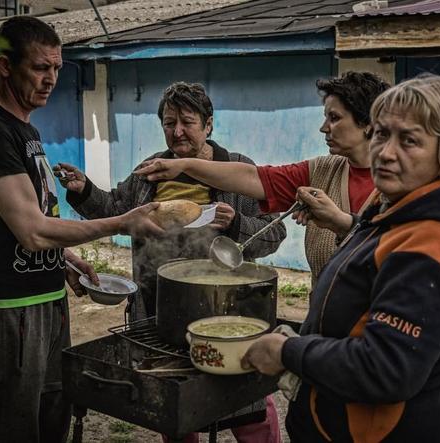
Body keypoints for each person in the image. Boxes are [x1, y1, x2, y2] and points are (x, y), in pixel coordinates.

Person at [136, 72, 440, 382]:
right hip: (332, 356)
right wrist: (183, 166)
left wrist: (289, 350)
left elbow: (427, 282)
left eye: (335, 117)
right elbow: (254, 177)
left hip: (362, 376)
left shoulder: (414, 200)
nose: (323, 127)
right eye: (385, 135)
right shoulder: (328, 170)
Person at [240, 73, 440, 441]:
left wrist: (289, 351)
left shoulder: (433, 239)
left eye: (409, 140)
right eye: (381, 134)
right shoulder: (403, 208)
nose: (386, 152)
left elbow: (386, 368)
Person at [0, 16, 163, 443]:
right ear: (5, 66)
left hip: (47, 299)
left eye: (57, 68)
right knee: (14, 427)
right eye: (39, 68)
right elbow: (32, 232)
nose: (51, 79)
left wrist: (62, 256)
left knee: (53, 415)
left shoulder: (26, 131)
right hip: (12, 309)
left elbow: (28, 221)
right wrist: (123, 222)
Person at [55, 81, 285, 443]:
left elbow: (274, 235)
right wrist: (83, 189)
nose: (177, 131)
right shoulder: (150, 171)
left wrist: (238, 224)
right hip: (161, 311)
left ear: (208, 125)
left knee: (248, 407)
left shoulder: (237, 170)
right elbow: (115, 209)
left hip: (224, 310)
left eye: (187, 122)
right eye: (168, 122)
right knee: (177, 406)